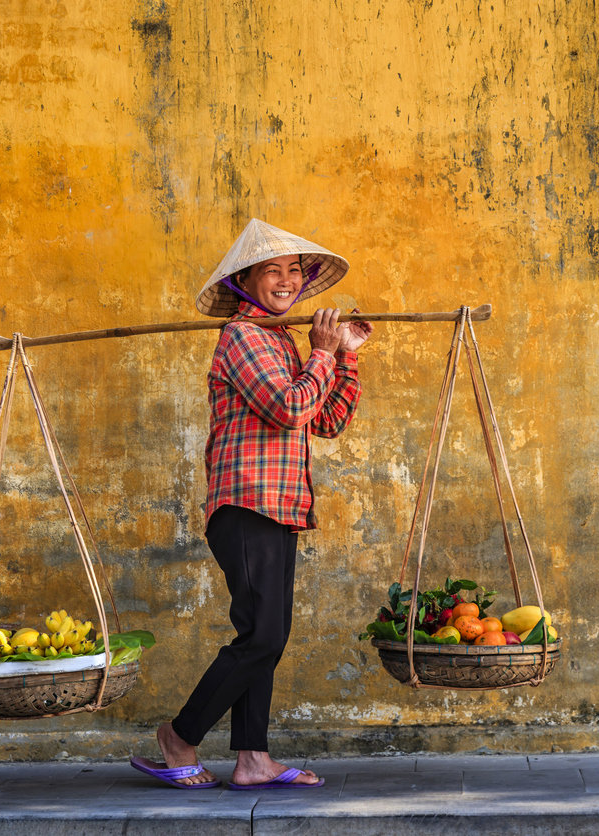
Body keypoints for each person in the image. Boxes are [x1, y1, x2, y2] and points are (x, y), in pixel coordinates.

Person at [131, 219, 372, 790]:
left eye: (294, 271)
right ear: (246, 282)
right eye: (273, 271)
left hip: (282, 505)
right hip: (246, 504)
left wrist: (346, 356)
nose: (287, 281)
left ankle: (252, 759)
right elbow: (291, 408)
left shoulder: (285, 341)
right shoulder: (241, 337)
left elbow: (328, 419)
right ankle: (179, 735)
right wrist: (321, 353)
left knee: (267, 634)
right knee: (261, 635)